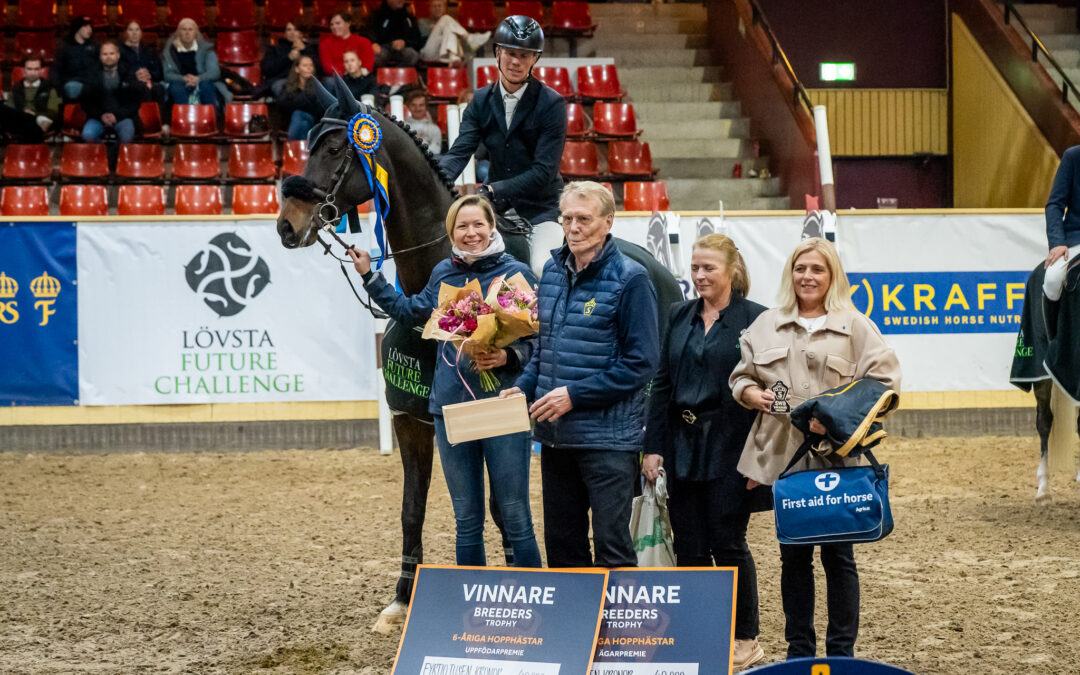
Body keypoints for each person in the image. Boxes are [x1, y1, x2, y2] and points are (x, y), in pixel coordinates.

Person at [345, 195, 542, 569]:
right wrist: (370, 276)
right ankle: (473, 604)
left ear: (491, 227)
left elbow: (539, 342)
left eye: (478, 225)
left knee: (516, 517)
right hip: (452, 407)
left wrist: (508, 356)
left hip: (502, 406)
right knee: (466, 521)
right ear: (451, 231)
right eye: (462, 227)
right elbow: (408, 312)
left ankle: (530, 600)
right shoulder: (443, 274)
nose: (471, 233)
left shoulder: (517, 274)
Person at [730, 237, 901, 660]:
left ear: (832, 277)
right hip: (785, 462)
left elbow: (886, 383)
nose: (807, 276)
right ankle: (800, 651)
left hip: (840, 459)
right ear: (791, 274)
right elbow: (740, 377)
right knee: (793, 559)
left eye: (817, 270)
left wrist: (839, 416)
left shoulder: (855, 325)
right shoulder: (765, 325)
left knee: (840, 557)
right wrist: (750, 394)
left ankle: (841, 652)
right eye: (800, 268)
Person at [501, 181, 660, 568]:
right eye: (567, 218)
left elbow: (642, 363)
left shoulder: (632, 279)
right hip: (556, 440)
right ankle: (576, 629)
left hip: (608, 442)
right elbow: (545, 348)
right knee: (563, 547)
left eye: (584, 219)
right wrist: (523, 388)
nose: (574, 227)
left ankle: (617, 631)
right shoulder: (552, 273)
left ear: (608, 222)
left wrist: (575, 395)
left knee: (612, 547)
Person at [642, 233, 767, 669]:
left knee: (729, 542)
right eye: (695, 268)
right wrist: (652, 447)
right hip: (681, 445)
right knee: (690, 545)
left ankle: (744, 637)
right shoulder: (678, 315)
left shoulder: (757, 319)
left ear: (731, 270)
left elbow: (774, 388)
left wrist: (762, 458)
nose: (699, 276)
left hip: (733, 447)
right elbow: (661, 384)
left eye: (709, 268)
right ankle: (696, 629)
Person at [439, 15, 567, 277]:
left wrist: (491, 189)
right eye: (510, 53)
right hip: (495, 210)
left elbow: (543, 171)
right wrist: (432, 179)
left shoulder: (552, 104)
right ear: (497, 53)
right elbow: (459, 153)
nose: (516, 62)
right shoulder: (481, 101)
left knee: (541, 269)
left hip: (542, 209)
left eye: (524, 55)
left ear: (535, 59)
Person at [80, 41, 144, 143]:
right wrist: (101, 115)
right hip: (98, 118)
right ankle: (100, 157)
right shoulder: (91, 75)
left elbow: (135, 103)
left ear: (118, 55)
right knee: (88, 135)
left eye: (111, 53)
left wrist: (117, 115)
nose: (108, 57)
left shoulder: (129, 74)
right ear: (100, 57)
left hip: (123, 118)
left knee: (127, 136)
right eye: (105, 54)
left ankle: (119, 158)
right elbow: (86, 103)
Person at [1043, 145, 1080, 302]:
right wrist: (1057, 243)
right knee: (1052, 280)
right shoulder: (1073, 156)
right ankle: (1050, 327)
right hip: (1077, 238)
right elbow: (1055, 205)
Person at [162, 18, 224, 108]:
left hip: (202, 81)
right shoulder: (169, 51)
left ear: (196, 33)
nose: (187, 33)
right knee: (176, 88)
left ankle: (210, 119)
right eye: (184, 29)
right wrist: (184, 78)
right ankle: (182, 119)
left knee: (207, 87)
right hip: (180, 81)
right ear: (179, 33)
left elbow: (214, 72)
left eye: (190, 29)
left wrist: (197, 79)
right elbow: (167, 74)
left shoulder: (207, 50)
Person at [0, 57, 60, 142]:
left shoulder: (50, 89)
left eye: (36, 69)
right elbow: (10, 111)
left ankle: (32, 118)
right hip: (18, 122)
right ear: (24, 70)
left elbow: (53, 113)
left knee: (32, 123)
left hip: (38, 125)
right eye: (29, 69)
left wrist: (33, 113)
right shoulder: (16, 88)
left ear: (41, 71)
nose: (32, 72)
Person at [419, 0, 490, 64]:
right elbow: (423, 39)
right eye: (434, 6)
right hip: (429, 53)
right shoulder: (423, 22)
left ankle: (452, 55)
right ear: (430, 8)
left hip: (443, 55)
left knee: (448, 30)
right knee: (445, 18)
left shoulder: (450, 24)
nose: (437, 8)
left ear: (444, 8)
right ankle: (470, 38)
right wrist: (437, 28)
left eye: (439, 6)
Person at [261, 22, 320, 98]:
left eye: (296, 30)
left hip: (307, 81)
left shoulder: (309, 48)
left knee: (321, 86)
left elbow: (318, 69)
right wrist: (288, 58)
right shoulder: (275, 49)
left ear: (301, 33)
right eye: (289, 30)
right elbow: (267, 70)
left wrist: (304, 50)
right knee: (282, 87)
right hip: (283, 81)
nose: (292, 33)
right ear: (285, 33)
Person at [119, 22, 166, 108]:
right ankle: (146, 120)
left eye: (137, 30)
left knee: (159, 88)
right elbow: (121, 72)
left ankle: (159, 119)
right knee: (143, 89)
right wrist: (136, 75)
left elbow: (159, 73)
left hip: (150, 82)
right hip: (130, 83)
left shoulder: (150, 50)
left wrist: (149, 74)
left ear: (141, 33)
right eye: (131, 30)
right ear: (125, 33)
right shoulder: (120, 51)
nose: (134, 33)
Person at [277, 56, 325, 141]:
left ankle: (290, 147)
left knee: (298, 113)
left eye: (311, 65)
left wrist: (296, 102)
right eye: (305, 65)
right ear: (297, 69)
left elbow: (320, 109)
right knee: (303, 123)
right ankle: (303, 152)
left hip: (313, 121)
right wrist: (307, 101)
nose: (309, 68)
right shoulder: (288, 86)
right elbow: (282, 105)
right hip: (293, 122)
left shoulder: (318, 86)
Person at [319, 13, 374, 83]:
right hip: (338, 78)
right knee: (329, 81)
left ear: (348, 23)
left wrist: (355, 74)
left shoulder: (364, 42)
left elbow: (368, 65)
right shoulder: (325, 44)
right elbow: (327, 66)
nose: (334, 27)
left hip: (359, 77)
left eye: (338, 23)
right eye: (332, 24)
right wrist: (345, 75)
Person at [56, 17, 100, 101]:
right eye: (85, 27)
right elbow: (58, 70)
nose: (90, 29)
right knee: (72, 87)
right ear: (77, 28)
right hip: (74, 81)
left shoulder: (95, 46)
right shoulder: (65, 47)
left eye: (90, 26)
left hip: (92, 81)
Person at [368, 0, 423, 67]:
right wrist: (373, 43)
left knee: (413, 55)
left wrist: (405, 43)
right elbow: (370, 32)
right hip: (383, 47)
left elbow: (417, 39)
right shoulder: (377, 15)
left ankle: (397, 74)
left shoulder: (409, 17)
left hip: (403, 49)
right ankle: (382, 75)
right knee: (376, 57)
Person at [404, 88, 442, 155]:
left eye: (421, 105)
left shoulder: (435, 129)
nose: (417, 109)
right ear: (408, 106)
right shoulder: (403, 127)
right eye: (413, 105)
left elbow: (436, 150)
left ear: (426, 107)